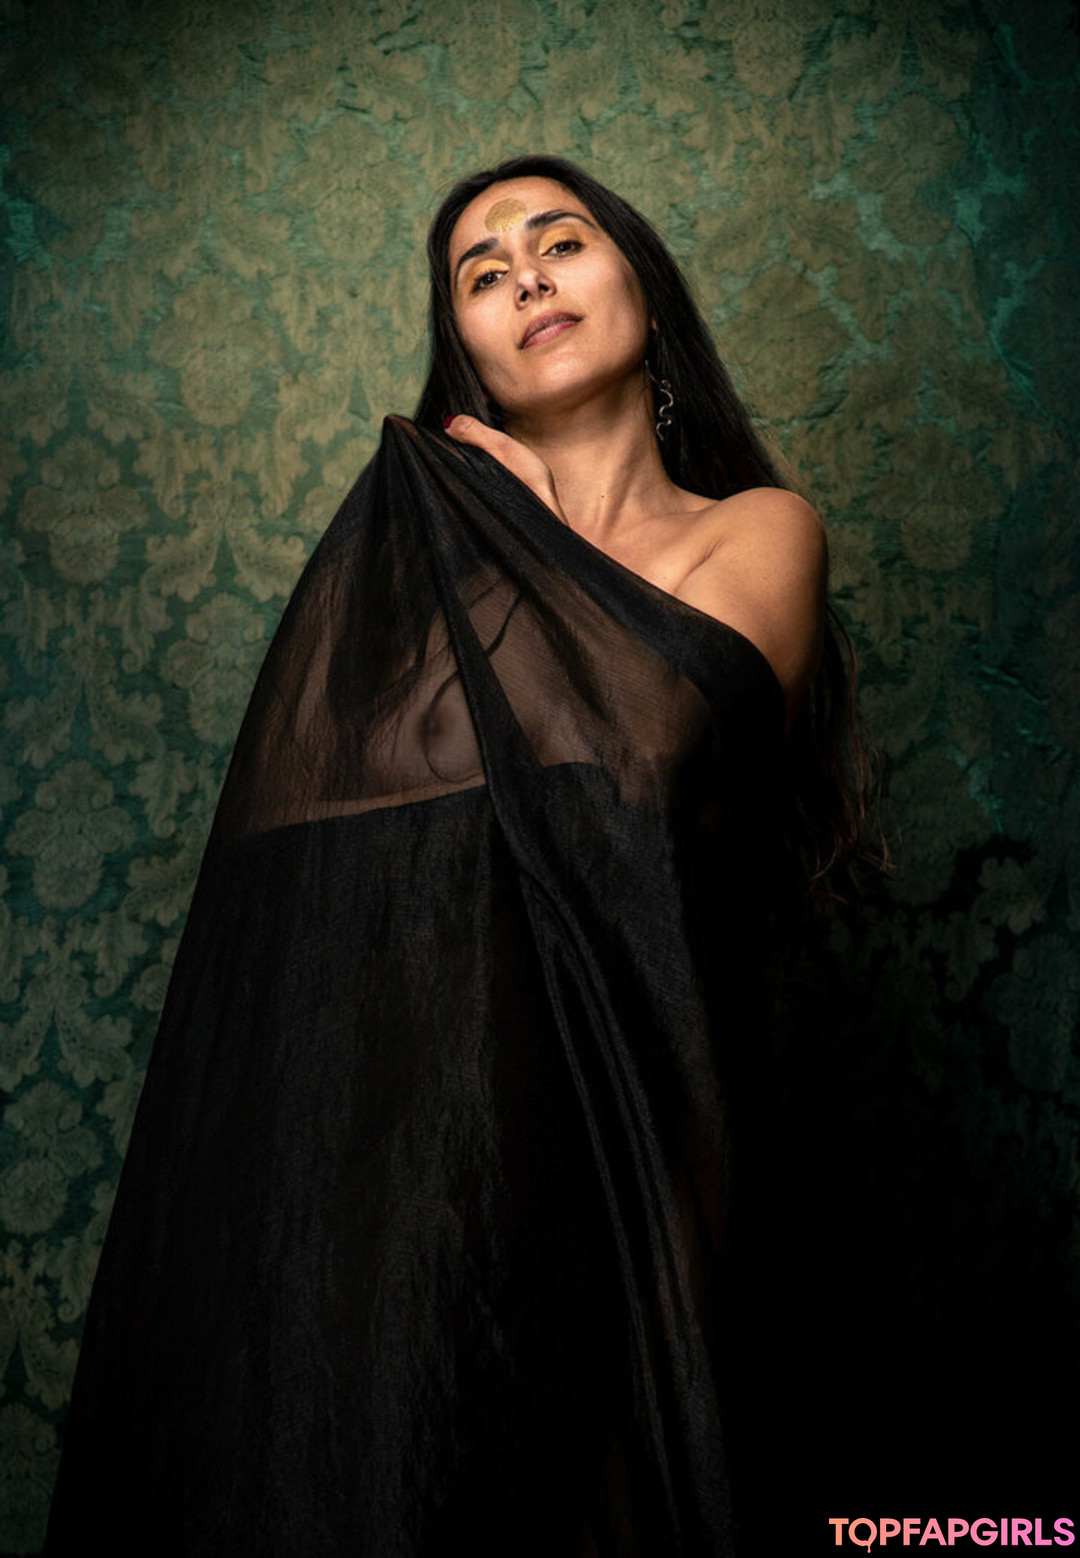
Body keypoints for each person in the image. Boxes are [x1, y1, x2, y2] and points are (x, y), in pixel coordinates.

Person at [44, 155, 870, 1557]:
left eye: (562, 242)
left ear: (645, 293)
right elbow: (319, 844)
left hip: (638, 1134)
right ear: (468, 356)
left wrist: (523, 532)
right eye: (484, 275)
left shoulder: (759, 531)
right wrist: (481, 549)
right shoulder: (424, 582)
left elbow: (644, 750)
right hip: (415, 1155)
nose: (527, 275)